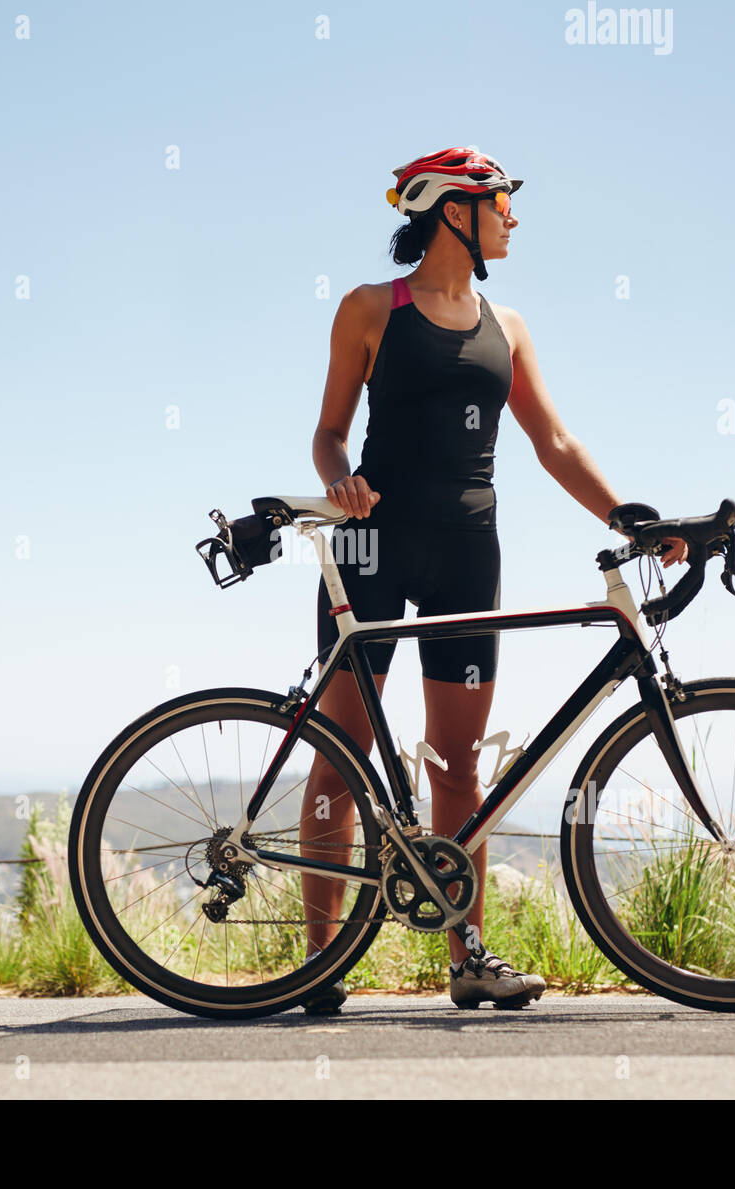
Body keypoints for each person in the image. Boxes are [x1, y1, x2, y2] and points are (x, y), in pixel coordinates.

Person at [298, 148, 687, 1012]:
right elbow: (328, 432)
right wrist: (337, 480)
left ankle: (467, 957)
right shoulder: (369, 309)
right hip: (373, 546)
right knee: (339, 763)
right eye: (502, 202)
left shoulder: (507, 326)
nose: (514, 218)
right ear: (453, 211)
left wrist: (630, 516)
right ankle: (318, 963)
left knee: (459, 769)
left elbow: (553, 443)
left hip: (470, 552)